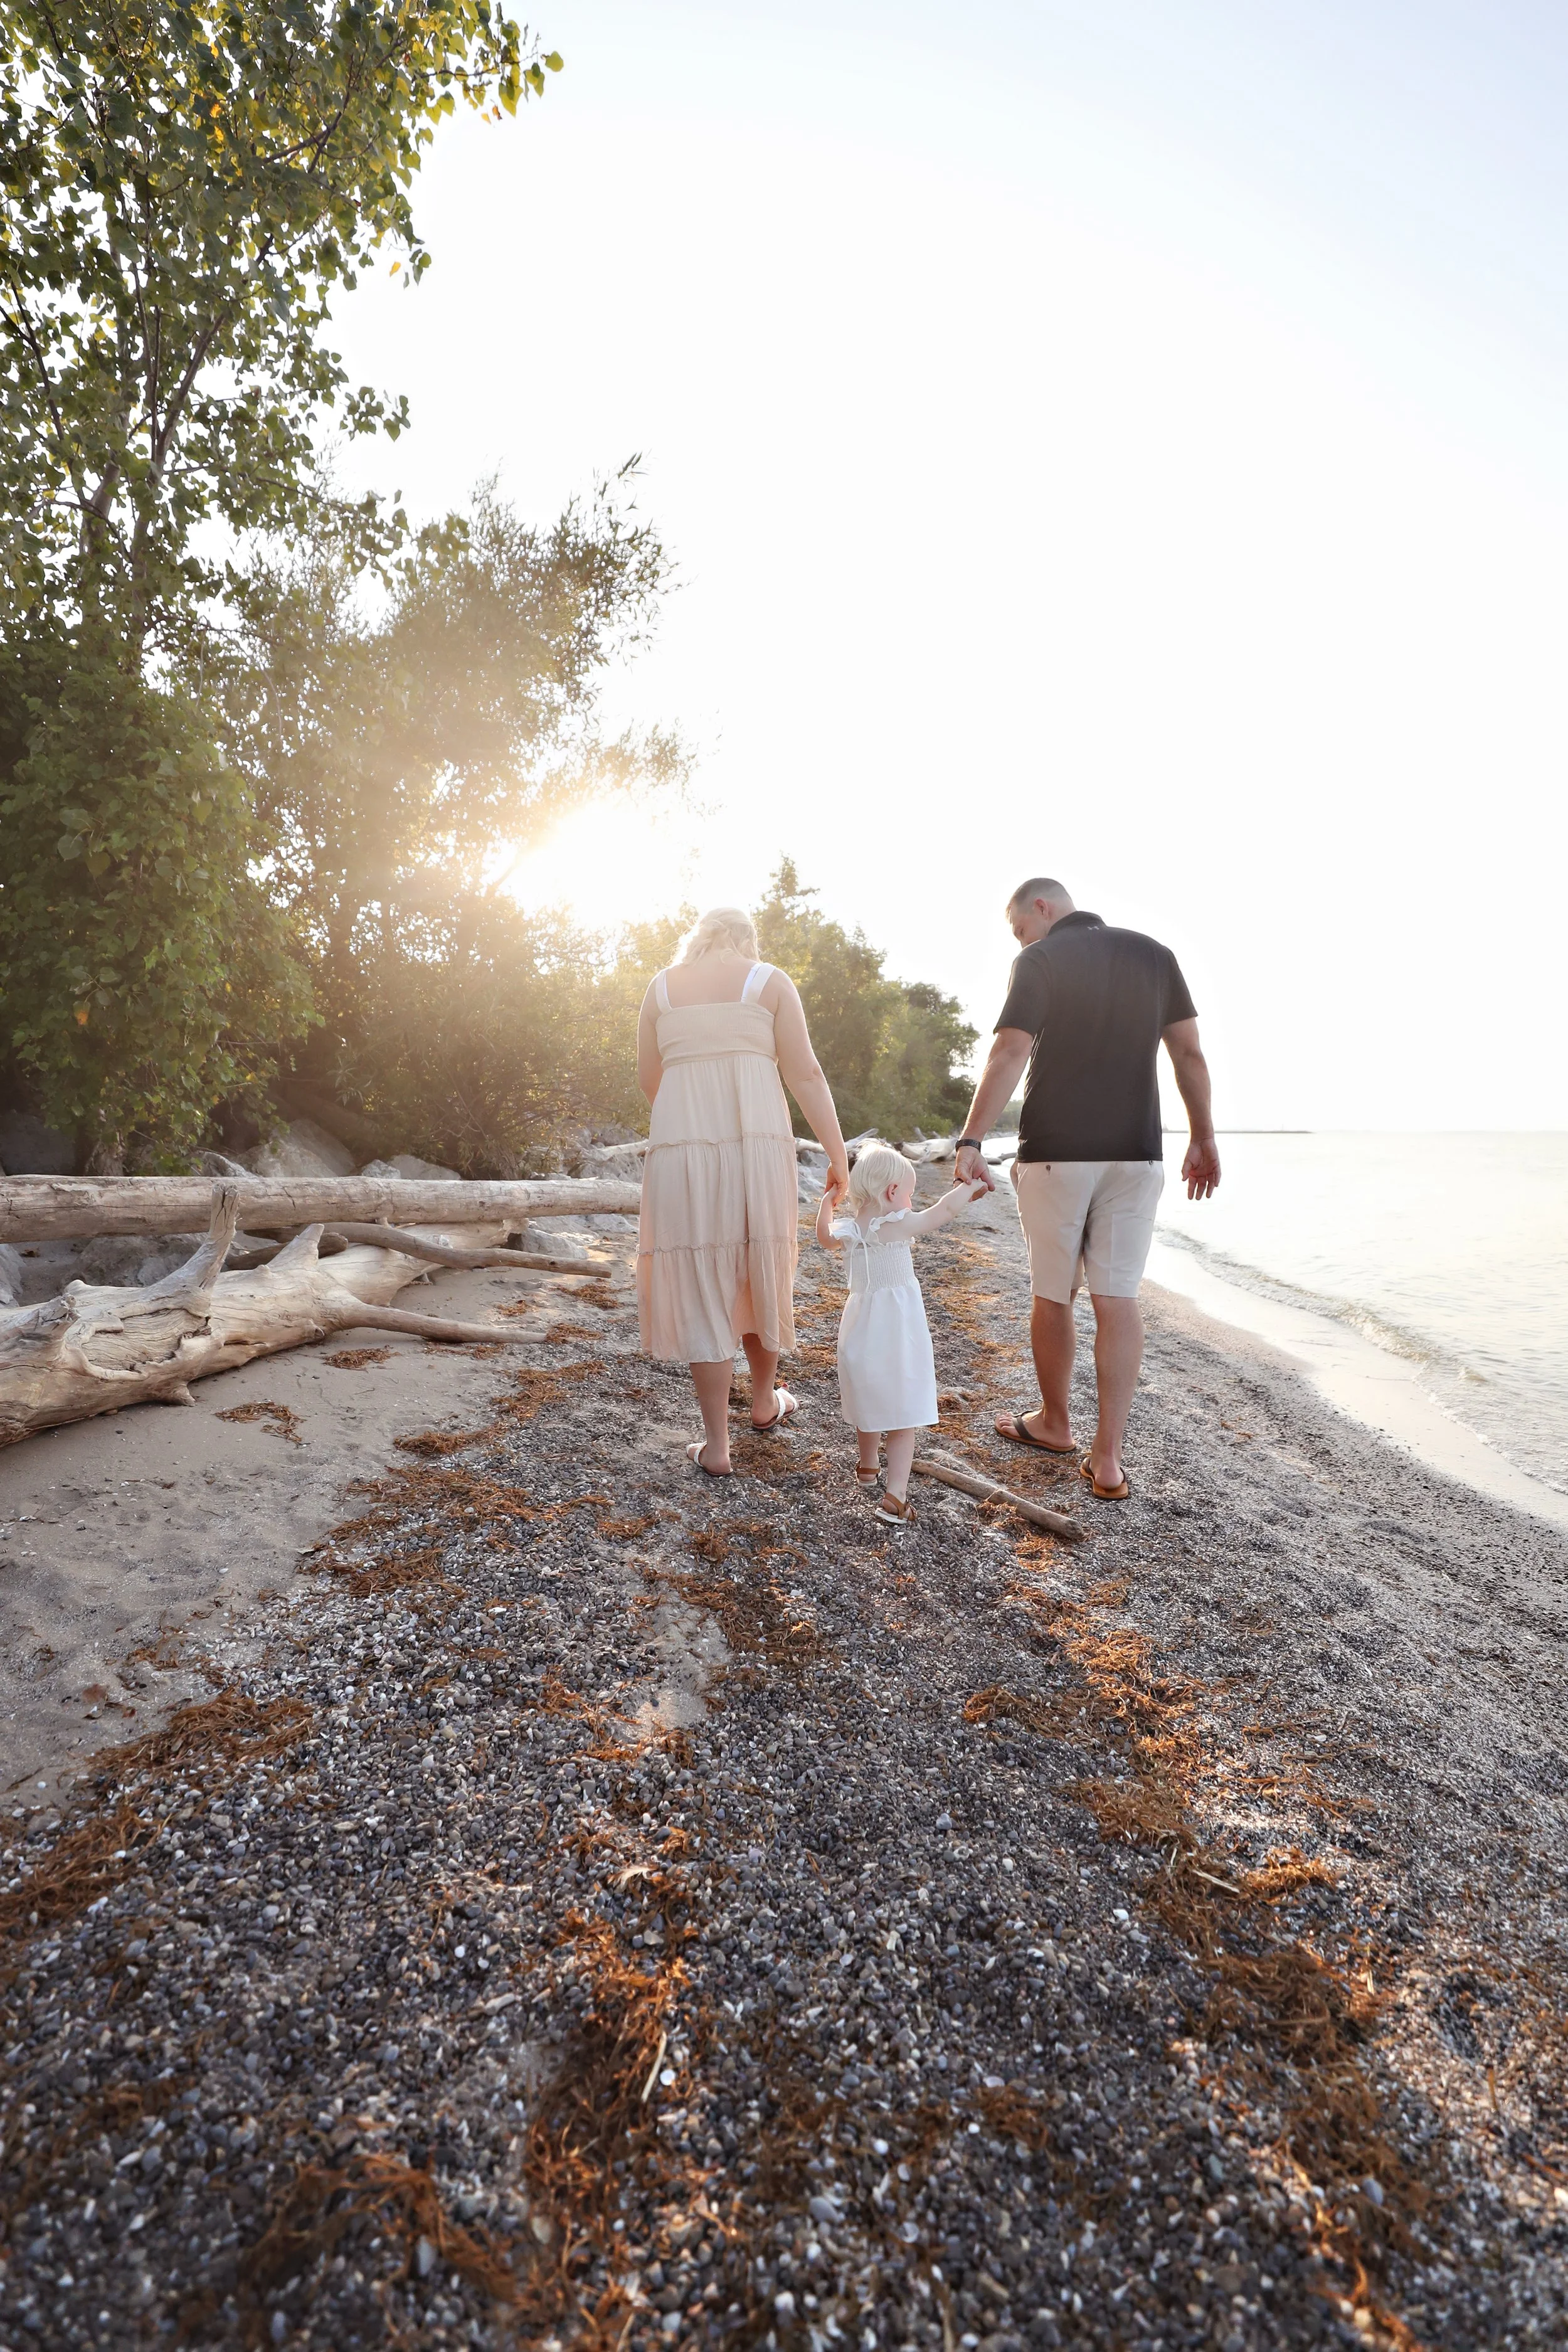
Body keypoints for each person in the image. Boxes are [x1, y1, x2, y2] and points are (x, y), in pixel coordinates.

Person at [953, 877, 1219, 1502]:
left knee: (1053, 1294)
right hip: (1136, 1154)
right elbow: (1188, 1053)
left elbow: (1010, 1049)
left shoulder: (1040, 959)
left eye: (1020, 927)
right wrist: (1202, 1137)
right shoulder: (1155, 955)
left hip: (1056, 1155)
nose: (1022, 939)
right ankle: (1107, 1462)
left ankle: (1053, 1424)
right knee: (1117, 1298)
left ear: (1041, 909)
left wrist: (970, 1140)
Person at [637, 906, 850, 1478]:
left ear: (698, 941)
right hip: (756, 1145)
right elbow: (805, 1073)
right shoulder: (769, 981)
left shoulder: (660, 989)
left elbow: (650, 1079)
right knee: (760, 1263)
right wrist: (837, 1156)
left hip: (681, 1149)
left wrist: (688, 1128)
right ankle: (763, 1401)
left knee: (706, 1277)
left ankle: (716, 1445)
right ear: (746, 942)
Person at [815, 1143, 985, 1527]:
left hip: (859, 1327)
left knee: (868, 1397)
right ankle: (895, 1497)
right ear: (892, 1192)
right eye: (908, 1193)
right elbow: (943, 1211)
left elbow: (823, 1235)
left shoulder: (849, 1230)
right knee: (902, 1411)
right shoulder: (895, 1226)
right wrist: (967, 1185)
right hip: (898, 1330)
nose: (910, 1201)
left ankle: (868, 1466)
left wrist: (828, 1198)